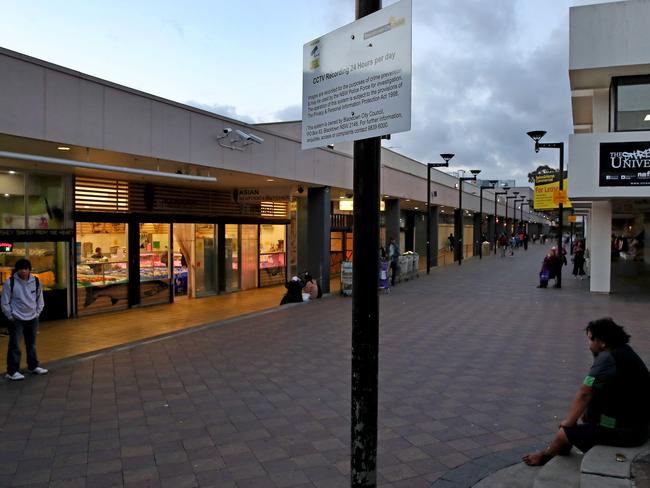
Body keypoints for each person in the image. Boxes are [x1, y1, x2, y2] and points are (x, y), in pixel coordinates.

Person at [523, 318, 650, 466]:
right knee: (589, 415)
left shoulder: (606, 358)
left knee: (562, 434)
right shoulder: (624, 351)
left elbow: (585, 392)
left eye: (590, 339)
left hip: (627, 432)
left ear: (602, 342)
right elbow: (600, 384)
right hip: (638, 425)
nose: (588, 344)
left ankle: (546, 455)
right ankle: (574, 438)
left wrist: (568, 423)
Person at [2, 259, 48, 381]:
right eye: (21, 269)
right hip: (16, 319)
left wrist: (37, 313)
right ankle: (12, 371)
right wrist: (11, 316)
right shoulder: (10, 283)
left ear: (29, 269)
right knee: (15, 345)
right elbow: (4, 302)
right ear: (17, 270)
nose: (23, 271)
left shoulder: (36, 281)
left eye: (26, 268)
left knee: (31, 345)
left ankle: (33, 366)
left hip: (32, 318)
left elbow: (39, 299)